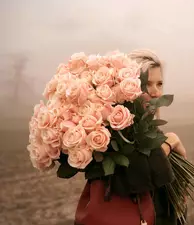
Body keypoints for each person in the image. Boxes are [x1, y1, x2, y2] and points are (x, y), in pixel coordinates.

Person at [74, 49, 187, 225]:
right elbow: (138, 175)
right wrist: (170, 144)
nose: (156, 92)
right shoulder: (113, 136)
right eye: (147, 84)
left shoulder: (153, 134)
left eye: (160, 84)